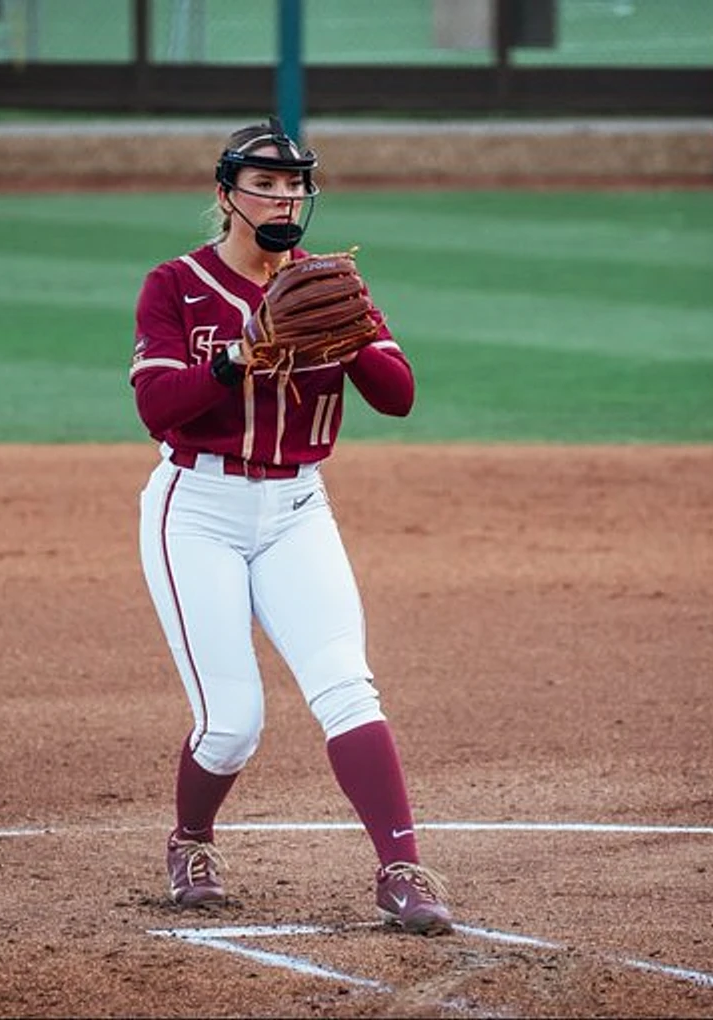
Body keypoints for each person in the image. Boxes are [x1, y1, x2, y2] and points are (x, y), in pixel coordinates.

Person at [129, 118, 454, 936]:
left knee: (347, 685)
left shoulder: (330, 285)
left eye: (294, 184)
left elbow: (399, 393)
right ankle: (192, 841)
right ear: (225, 194)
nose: (283, 197)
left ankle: (402, 871)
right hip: (196, 510)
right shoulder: (176, 284)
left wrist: (350, 340)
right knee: (233, 722)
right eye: (265, 183)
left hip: (298, 509)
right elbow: (158, 408)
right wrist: (240, 355)